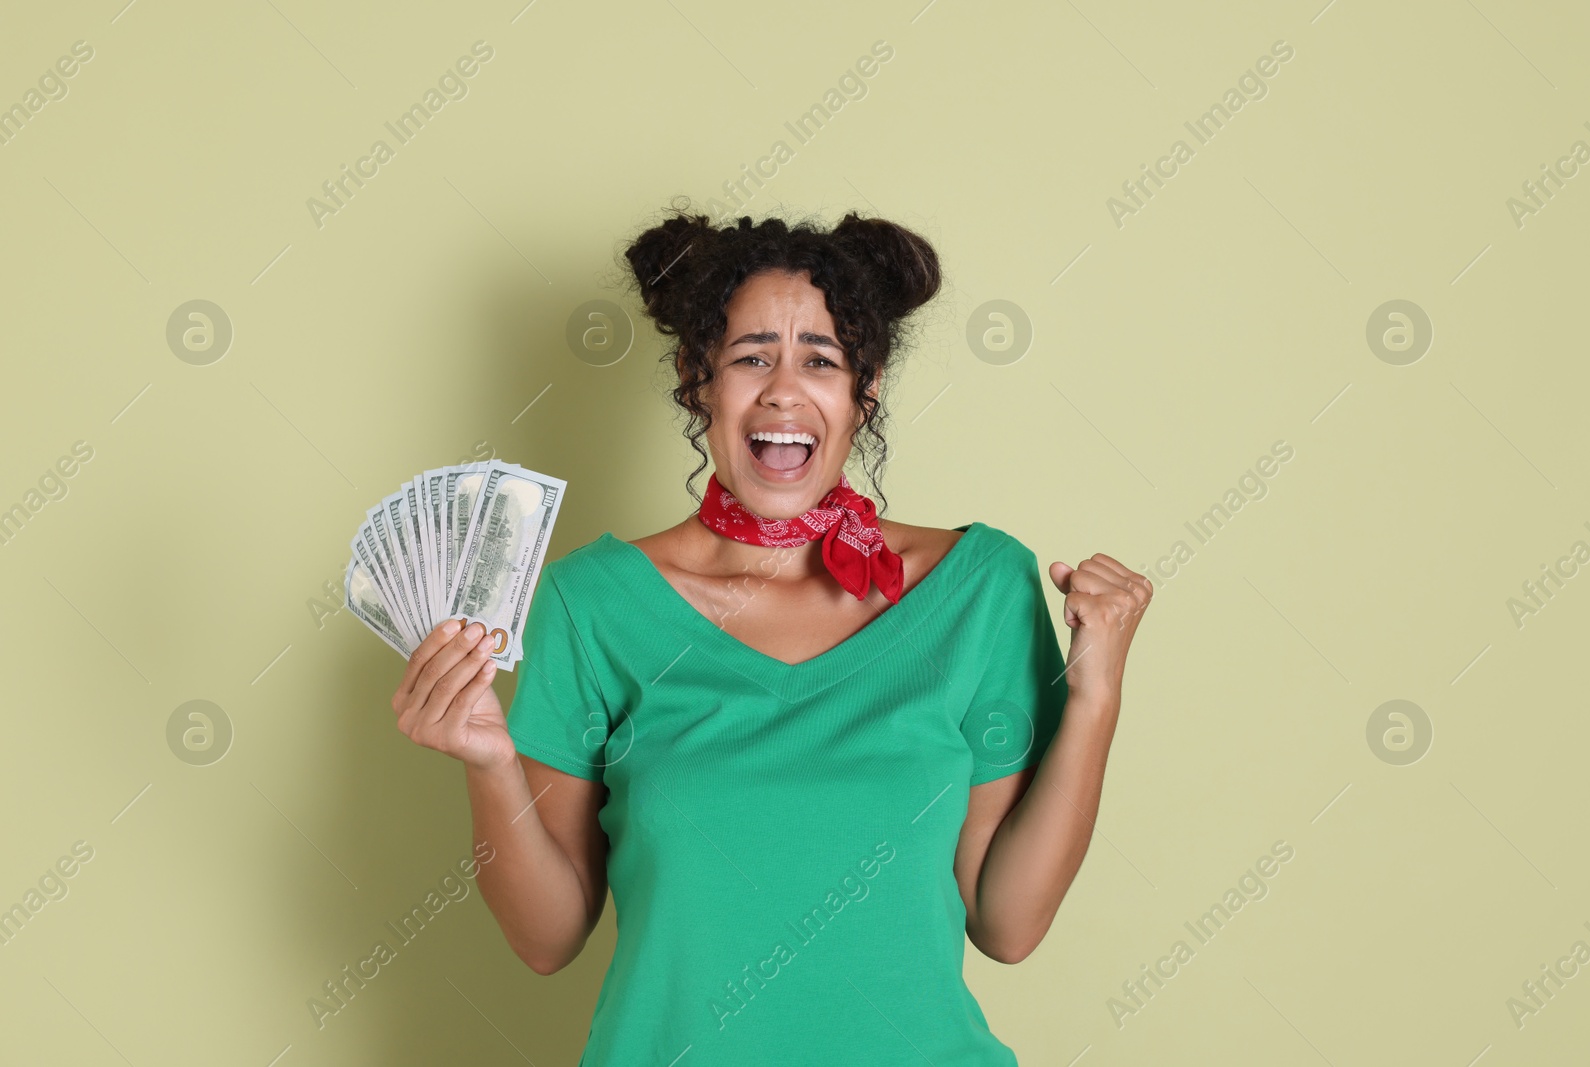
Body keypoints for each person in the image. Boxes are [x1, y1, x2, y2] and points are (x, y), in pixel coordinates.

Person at [389, 204, 1152, 1065]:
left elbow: (1008, 925)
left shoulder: (978, 590)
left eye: (821, 360)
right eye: (751, 357)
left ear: (863, 390)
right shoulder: (591, 603)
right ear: (698, 377)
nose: (784, 390)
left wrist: (1095, 695)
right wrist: (489, 761)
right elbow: (546, 937)